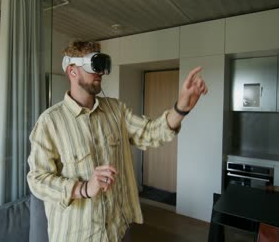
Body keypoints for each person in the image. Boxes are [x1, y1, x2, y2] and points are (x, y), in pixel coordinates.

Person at [27, 40, 208, 242]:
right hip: (77, 236)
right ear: (73, 71)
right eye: (94, 65)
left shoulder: (115, 111)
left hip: (117, 232)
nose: (101, 72)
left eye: (103, 66)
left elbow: (149, 133)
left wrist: (181, 108)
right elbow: (37, 180)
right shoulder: (50, 122)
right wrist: (84, 188)